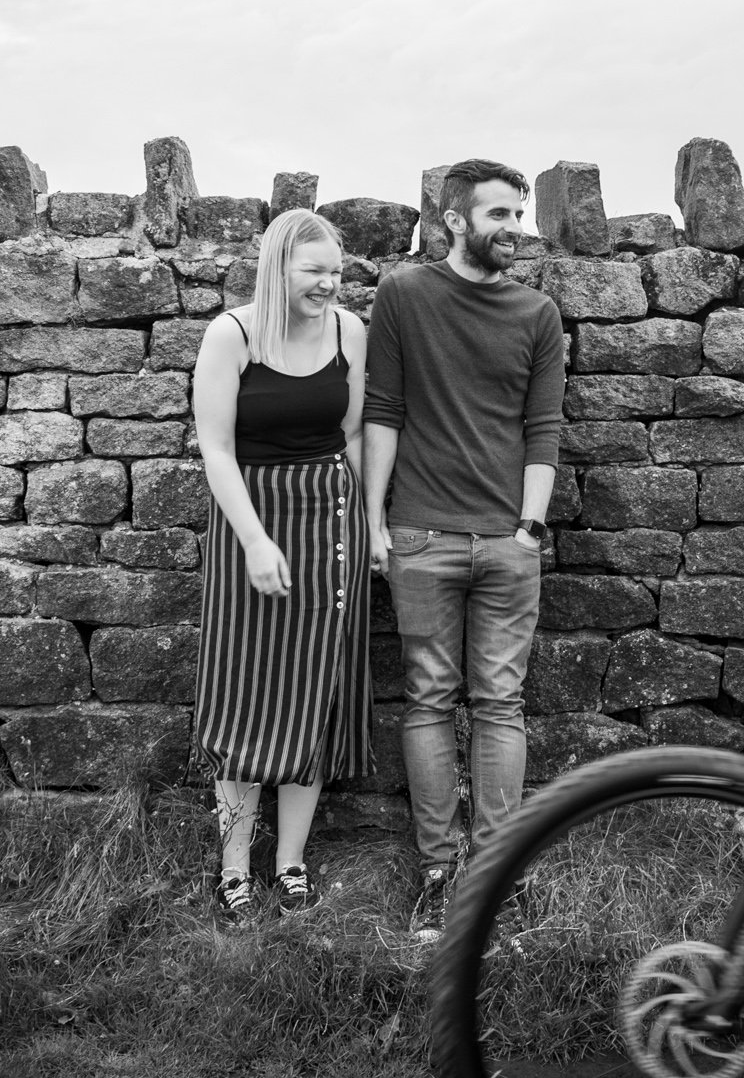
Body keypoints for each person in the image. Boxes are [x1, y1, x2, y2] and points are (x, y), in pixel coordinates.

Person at [362, 159, 566, 941]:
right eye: (499, 216)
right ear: (454, 220)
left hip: (509, 540)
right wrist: (379, 520)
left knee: (501, 703)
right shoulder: (404, 296)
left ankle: (492, 874)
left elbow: (542, 426)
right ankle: (439, 871)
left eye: (518, 214)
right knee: (428, 700)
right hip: (421, 534)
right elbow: (384, 409)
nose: (514, 228)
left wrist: (530, 527)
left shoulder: (538, 313)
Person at [191, 208, 372, 920]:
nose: (330, 284)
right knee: (247, 689)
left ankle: (290, 861)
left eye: (336, 271)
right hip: (251, 524)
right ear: (277, 269)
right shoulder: (230, 334)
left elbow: (353, 435)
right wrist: (256, 540)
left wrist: (373, 526)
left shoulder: (349, 332)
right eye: (315, 272)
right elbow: (216, 448)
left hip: (332, 519)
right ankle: (234, 864)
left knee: (316, 689)